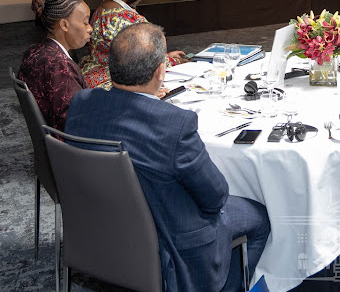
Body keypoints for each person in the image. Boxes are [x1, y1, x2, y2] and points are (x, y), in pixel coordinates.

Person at [65, 23, 270, 292]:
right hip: (172, 243)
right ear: (160, 71)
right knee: (262, 217)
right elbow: (215, 197)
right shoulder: (174, 125)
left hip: (100, 232)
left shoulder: (81, 104)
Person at [79, 0, 185, 89]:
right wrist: (173, 61)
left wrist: (166, 56)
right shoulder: (129, 19)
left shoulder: (102, 9)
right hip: (117, 83)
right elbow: (142, 60)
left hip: (94, 76)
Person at [17, 0, 92, 131]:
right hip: (70, 145)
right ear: (64, 25)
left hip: (51, 138)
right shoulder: (59, 66)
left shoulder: (33, 51)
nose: (90, 28)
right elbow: (75, 120)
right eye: (85, 22)